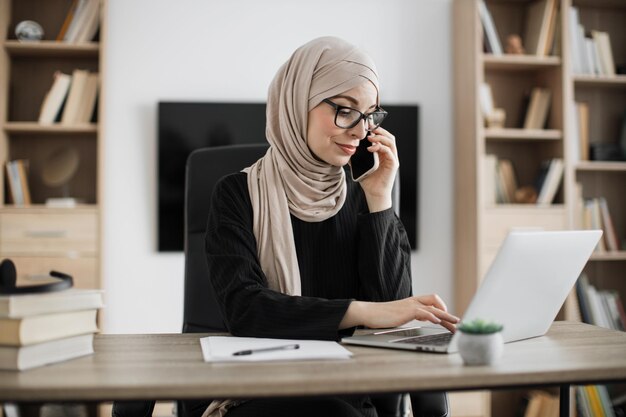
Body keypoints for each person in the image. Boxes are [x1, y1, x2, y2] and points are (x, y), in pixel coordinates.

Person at [200, 36, 459, 417]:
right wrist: (360, 312)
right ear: (297, 103)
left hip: (351, 385)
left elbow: (391, 312)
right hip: (258, 391)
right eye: (345, 110)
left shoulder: (363, 195)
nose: (360, 130)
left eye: (370, 114)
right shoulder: (237, 194)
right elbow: (245, 309)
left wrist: (380, 201)